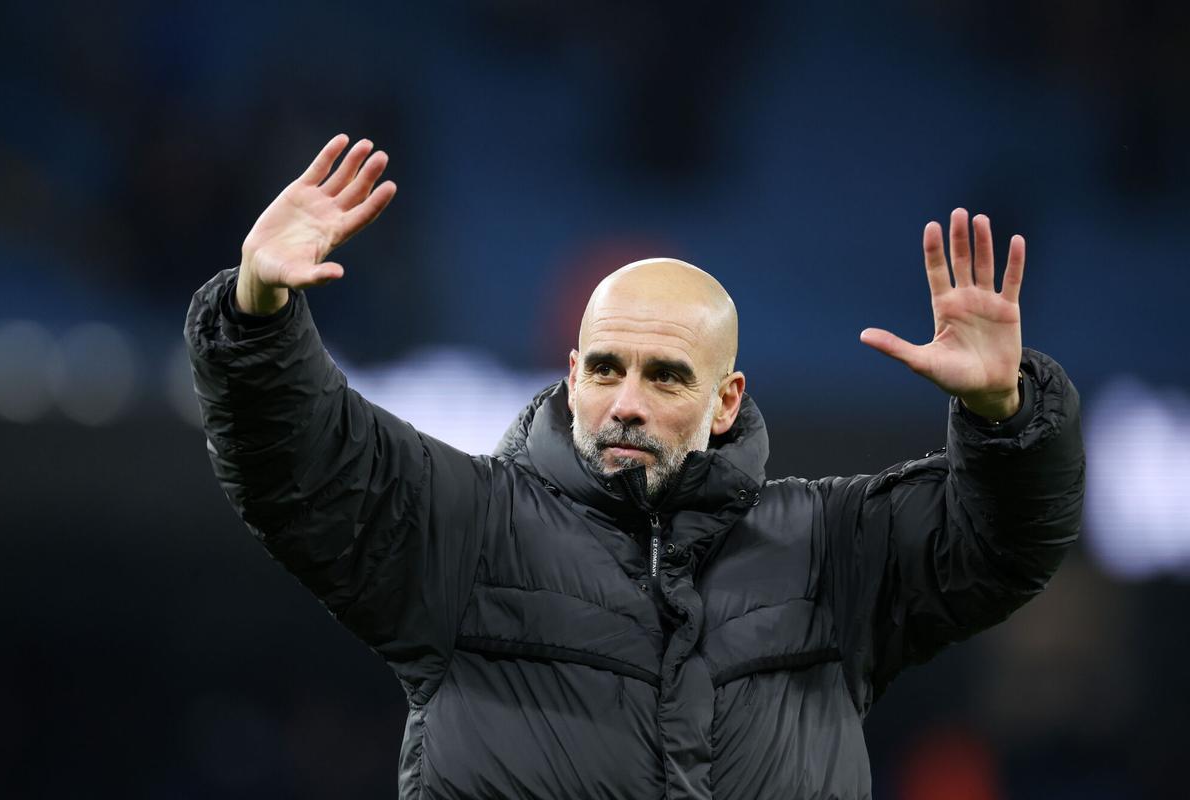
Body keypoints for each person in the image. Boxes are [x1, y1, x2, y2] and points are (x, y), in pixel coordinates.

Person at [185, 134, 1085, 799]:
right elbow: (301, 467)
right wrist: (258, 312)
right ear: (571, 376)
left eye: (665, 376)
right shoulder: (468, 528)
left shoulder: (829, 548)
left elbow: (1000, 545)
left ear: (726, 400)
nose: (627, 401)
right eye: (607, 368)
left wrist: (1003, 414)